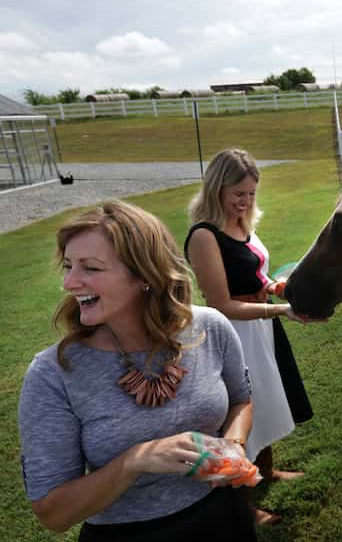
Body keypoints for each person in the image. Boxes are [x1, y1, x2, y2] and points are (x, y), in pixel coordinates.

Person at [18, 201, 256, 541]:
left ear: (145, 275)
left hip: (223, 514)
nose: (70, 283)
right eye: (68, 266)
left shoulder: (210, 328)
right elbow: (53, 513)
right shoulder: (52, 375)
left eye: (91, 268)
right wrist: (134, 460)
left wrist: (232, 445)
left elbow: (241, 401)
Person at [185, 148, 315, 525]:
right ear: (216, 189)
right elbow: (221, 304)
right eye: (237, 193)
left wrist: (275, 288)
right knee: (240, 415)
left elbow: (254, 277)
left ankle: (267, 472)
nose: (244, 201)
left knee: (268, 400)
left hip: (260, 326)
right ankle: (243, 507)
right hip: (233, 335)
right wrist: (279, 310)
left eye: (251, 194)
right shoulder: (205, 236)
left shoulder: (243, 224)